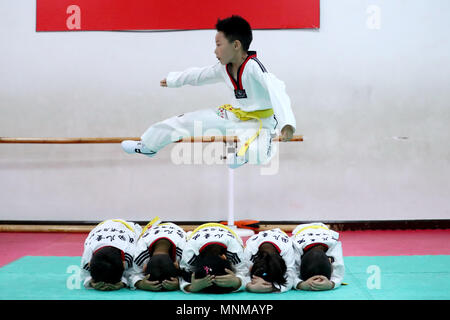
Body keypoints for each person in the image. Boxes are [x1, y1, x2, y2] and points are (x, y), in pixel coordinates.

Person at [121, 15, 296, 168]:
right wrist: (175, 80)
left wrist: (286, 124)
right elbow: (200, 75)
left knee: (259, 156)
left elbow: (277, 91)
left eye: (219, 45)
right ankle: (149, 145)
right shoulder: (223, 68)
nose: (215, 50)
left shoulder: (254, 68)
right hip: (234, 115)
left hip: (262, 122)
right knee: (186, 121)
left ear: (236, 45)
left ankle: (243, 155)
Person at [179, 223, 249, 293]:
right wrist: (192, 287)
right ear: (224, 257)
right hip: (197, 233)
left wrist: (236, 282)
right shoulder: (190, 253)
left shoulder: (236, 251)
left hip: (229, 233)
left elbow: (246, 274)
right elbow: (183, 274)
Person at [80, 219, 142, 291]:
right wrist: (91, 282)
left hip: (131, 228)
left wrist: (123, 282)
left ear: (123, 264)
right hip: (101, 227)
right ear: (89, 264)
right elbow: (84, 274)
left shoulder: (130, 252)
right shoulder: (88, 254)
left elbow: (135, 273)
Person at [130, 217, 186, 291]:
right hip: (155, 229)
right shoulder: (141, 251)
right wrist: (141, 284)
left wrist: (179, 283)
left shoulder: (184, 251)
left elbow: (192, 271)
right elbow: (130, 273)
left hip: (176, 229)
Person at [290, 222, 345, 291]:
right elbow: (290, 273)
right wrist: (301, 284)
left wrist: (331, 284)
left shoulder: (334, 245)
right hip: (300, 232)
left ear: (330, 261)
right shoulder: (295, 246)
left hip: (323, 229)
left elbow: (339, 272)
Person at [244, 228, 296, 293]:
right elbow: (244, 274)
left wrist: (273, 287)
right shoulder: (249, 251)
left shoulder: (287, 250)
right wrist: (248, 285)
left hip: (282, 236)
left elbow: (291, 276)